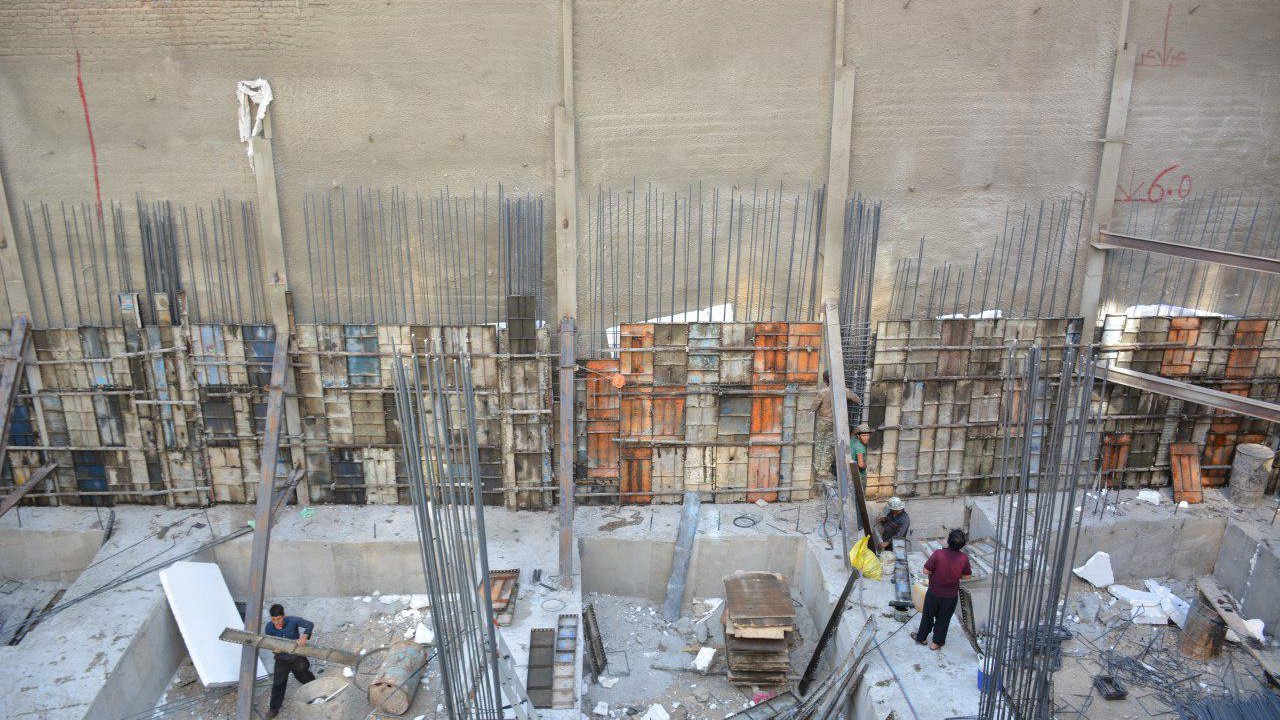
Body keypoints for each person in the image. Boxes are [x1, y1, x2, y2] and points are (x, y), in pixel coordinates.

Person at [914, 529, 973, 650]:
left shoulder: (938, 554)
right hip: (950, 596)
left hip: (934, 593)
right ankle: (936, 643)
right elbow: (967, 576)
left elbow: (926, 570)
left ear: (948, 541)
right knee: (943, 619)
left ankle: (922, 638)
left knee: (927, 616)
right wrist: (956, 575)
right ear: (962, 545)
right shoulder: (964, 558)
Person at [264, 603, 316, 718]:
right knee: (278, 684)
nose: (276, 622)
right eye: (274, 619)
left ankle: (316, 694)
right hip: (281, 660)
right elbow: (269, 642)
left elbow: (309, 625)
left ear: (284, 616)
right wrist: (274, 649)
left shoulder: (292, 621)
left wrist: (304, 637)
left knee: (305, 677)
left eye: (279, 619)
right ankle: (274, 709)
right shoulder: (269, 627)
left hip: (296, 657)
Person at [812, 371, 861, 484]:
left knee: (819, 443)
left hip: (822, 422)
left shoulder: (822, 392)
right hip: (834, 423)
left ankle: (817, 468)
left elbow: (814, 406)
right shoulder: (843, 390)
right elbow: (857, 399)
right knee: (829, 447)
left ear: (825, 381)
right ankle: (823, 473)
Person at [849, 422, 873, 486]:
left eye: (868, 435)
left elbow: (853, 433)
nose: (866, 438)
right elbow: (861, 465)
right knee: (860, 495)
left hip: (849, 475)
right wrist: (866, 465)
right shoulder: (860, 447)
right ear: (858, 436)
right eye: (863, 436)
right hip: (859, 477)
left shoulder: (853, 440)